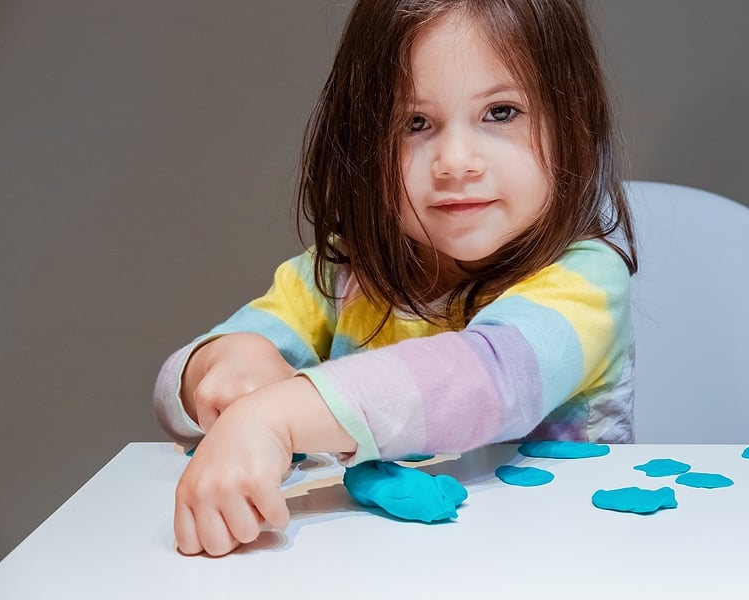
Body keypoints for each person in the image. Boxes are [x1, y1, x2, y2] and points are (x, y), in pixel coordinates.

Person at [154, 0, 637, 557]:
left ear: (576, 120)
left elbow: (487, 379)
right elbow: (175, 393)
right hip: (367, 566)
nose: (456, 161)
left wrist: (277, 417)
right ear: (364, 144)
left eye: (501, 112)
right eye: (415, 123)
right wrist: (225, 364)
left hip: (558, 563)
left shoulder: (584, 278)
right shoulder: (341, 271)